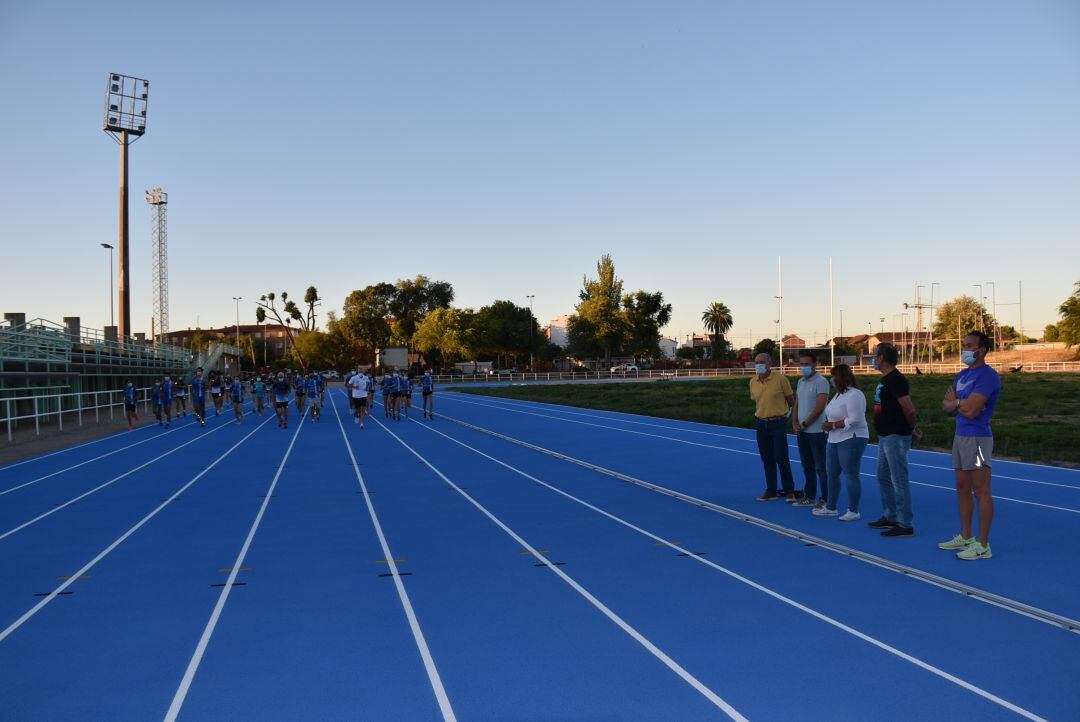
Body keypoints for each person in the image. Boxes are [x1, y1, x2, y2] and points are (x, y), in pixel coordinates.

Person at [939, 331, 1001, 561]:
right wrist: (958, 403)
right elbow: (945, 406)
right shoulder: (962, 375)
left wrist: (956, 402)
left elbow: (973, 410)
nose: (965, 350)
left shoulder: (988, 376)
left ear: (982, 350)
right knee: (962, 487)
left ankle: (983, 544)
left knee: (981, 490)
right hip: (960, 436)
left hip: (977, 438)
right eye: (964, 345)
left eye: (970, 346)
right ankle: (966, 536)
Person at [869, 342, 922, 537]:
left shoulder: (896, 380)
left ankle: (905, 522)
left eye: (875, 356)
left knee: (898, 478)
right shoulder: (886, 379)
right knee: (883, 476)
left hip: (895, 436)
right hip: (885, 436)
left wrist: (910, 428)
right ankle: (890, 515)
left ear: (882, 358)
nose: (874, 359)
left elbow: (909, 409)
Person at [815, 364, 869, 520]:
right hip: (834, 438)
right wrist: (829, 424)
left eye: (833, 376)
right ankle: (831, 507)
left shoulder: (855, 395)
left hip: (851, 437)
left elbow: (855, 419)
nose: (831, 379)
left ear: (839, 377)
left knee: (851, 474)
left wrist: (832, 425)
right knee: (832, 473)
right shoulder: (838, 395)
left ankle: (853, 510)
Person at [749, 353, 796, 501]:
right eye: (756, 362)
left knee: (782, 457)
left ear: (769, 364)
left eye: (762, 362)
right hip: (761, 423)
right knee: (767, 458)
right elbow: (756, 401)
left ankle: (789, 491)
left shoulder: (781, 379)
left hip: (778, 423)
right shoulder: (753, 382)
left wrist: (787, 417)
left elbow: (791, 401)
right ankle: (771, 490)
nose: (759, 365)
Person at [793, 350, 830, 508]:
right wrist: (794, 422)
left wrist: (806, 423)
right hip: (802, 432)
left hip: (816, 432)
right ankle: (810, 496)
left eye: (807, 364)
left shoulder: (821, 382)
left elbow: (820, 407)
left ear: (815, 364)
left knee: (820, 467)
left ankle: (826, 498)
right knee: (806, 465)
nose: (803, 367)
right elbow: (797, 403)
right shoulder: (801, 382)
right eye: (801, 364)